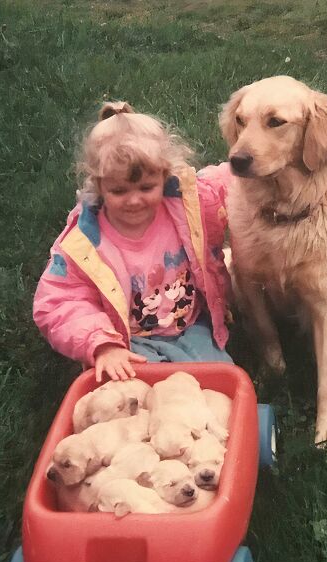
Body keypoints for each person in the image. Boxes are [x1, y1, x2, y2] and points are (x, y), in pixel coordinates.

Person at [33, 101, 233, 382]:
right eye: (119, 190)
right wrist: (101, 345)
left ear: (165, 176)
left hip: (192, 326)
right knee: (134, 399)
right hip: (126, 341)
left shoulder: (191, 205)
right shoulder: (85, 245)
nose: (134, 199)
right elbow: (60, 301)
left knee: (218, 383)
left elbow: (229, 180)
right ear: (99, 185)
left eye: (146, 187)